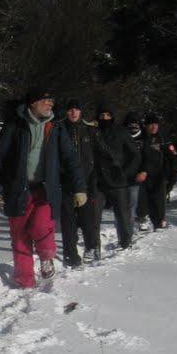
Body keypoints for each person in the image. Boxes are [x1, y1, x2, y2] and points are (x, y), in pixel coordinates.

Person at [0, 88, 86, 288]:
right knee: (19, 234)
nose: (50, 104)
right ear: (33, 103)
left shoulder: (55, 126)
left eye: (51, 101)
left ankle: (47, 256)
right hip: (17, 189)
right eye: (46, 100)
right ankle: (24, 279)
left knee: (41, 226)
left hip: (44, 189)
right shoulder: (15, 125)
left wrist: (80, 188)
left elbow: (71, 158)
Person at [92, 104, 141, 251]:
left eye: (107, 115)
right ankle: (95, 247)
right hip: (98, 181)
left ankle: (126, 243)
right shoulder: (94, 132)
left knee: (122, 216)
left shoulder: (121, 131)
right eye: (101, 116)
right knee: (94, 218)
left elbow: (135, 155)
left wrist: (125, 173)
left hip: (118, 181)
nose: (105, 118)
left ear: (112, 116)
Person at [58, 99, 99, 268]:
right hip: (65, 183)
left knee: (88, 221)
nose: (73, 113)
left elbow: (98, 156)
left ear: (81, 112)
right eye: (70, 110)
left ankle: (91, 247)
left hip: (87, 182)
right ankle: (71, 255)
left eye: (76, 109)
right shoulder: (59, 129)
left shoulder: (89, 130)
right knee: (68, 223)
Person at [138, 113, 177, 230]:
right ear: (146, 126)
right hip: (143, 175)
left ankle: (160, 223)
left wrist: (173, 175)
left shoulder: (163, 139)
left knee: (159, 202)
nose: (154, 127)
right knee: (143, 201)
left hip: (159, 176)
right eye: (151, 124)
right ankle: (142, 220)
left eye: (156, 124)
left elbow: (174, 158)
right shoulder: (140, 138)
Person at [123, 110, 147, 229]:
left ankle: (136, 222)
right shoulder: (122, 135)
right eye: (130, 123)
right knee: (125, 204)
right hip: (123, 174)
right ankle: (127, 227)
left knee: (136, 202)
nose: (133, 126)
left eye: (135, 123)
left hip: (139, 174)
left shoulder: (144, 137)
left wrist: (144, 170)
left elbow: (147, 156)